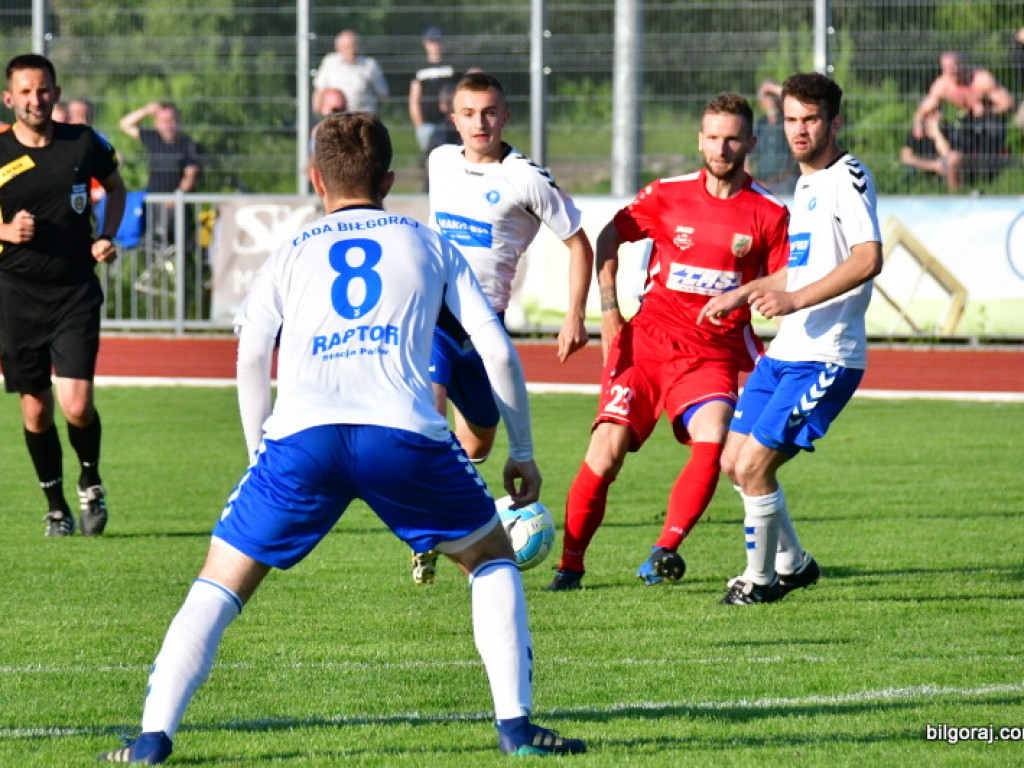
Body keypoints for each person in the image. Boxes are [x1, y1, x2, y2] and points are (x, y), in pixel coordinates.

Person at [98, 110, 586, 764]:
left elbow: (249, 354)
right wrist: (521, 450)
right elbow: (496, 351)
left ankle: (152, 738)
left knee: (221, 581)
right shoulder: (428, 242)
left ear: (314, 178)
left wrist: (256, 455)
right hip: (404, 434)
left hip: (303, 438)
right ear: (388, 178)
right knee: (492, 559)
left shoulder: (292, 250)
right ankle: (516, 729)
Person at [545, 92, 790, 591]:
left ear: (751, 143)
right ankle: (569, 568)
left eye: (732, 139)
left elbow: (790, 275)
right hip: (648, 342)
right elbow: (610, 236)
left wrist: (750, 293)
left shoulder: (768, 212)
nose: (722, 148)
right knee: (606, 450)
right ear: (700, 140)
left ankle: (664, 549)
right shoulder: (667, 194)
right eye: (714, 138)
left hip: (715, 354)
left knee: (714, 435)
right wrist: (609, 309)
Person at [699, 72, 883, 605]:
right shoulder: (804, 185)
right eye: (792, 120)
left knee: (756, 465)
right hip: (786, 352)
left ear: (834, 122)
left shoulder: (847, 177)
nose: (799, 131)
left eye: (811, 120)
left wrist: (795, 302)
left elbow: (868, 258)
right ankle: (794, 563)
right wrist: (746, 292)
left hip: (827, 356)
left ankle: (760, 582)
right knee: (734, 461)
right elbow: (799, 269)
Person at [412, 71, 594, 586]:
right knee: (430, 418)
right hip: (433, 316)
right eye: (468, 113)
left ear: (506, 115)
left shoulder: (527, 178)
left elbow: (579, 244)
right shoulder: (440, 160)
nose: (479, 122)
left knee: (477, 446)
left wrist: (575, 314)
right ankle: (427, 533)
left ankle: (448, 516)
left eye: (489, 112)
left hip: (484, 326)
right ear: (453, 118)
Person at [0, 53, 126, 537]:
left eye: (43, 89)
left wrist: (107, 236)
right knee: (35, 409)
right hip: (15, 294)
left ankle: (90, 481)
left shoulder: (82, 141)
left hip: (74, 292)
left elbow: (116, 189)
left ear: (55, 91)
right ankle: (55, 507)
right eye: (26, 92)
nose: (36, 99)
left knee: (76, 406)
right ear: (10, 98)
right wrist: (6, 231)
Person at [408, 26, 459, 168]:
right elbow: (414, 98)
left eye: (438, 41)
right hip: (427, 123)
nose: (435, 45)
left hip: (449, 123)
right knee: (430, 161)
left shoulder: (453, 66)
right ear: (425, 44)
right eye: (432, 42)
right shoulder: (420, 69)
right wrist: (419, 124)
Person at [312, 29, 388, 115]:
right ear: (338, 48)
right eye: (346, 47)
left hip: (362, 118)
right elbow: (320, 90)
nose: (351, 50)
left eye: (354, 46)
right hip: (335, 118)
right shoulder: (330, 62)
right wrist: (316, 114)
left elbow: (383, 94)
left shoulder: (370, 65)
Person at [749, 80, 800, 196]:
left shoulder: (788, 121)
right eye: (766, 96)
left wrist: (773, 88)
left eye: (773, 95)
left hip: (788, 183)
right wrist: (753, 181)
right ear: (761, 102)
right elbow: (748, 156)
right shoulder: (760, 125)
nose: (770, 100)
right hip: (764, 186)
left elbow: (798, 100)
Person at [899, 109, 962, 192]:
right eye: (930, 113)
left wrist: (937, 134)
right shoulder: (917, 133)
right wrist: (934, 166)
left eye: (936, 112)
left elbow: (948, 156)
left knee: (953, 160)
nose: (935, 116)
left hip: (948, 169)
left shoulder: (949, 128)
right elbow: (905, 157)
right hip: (929, 167)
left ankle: (953, 194)